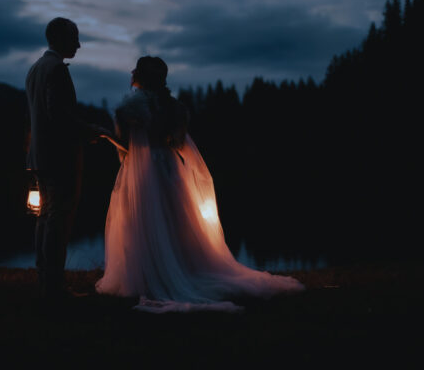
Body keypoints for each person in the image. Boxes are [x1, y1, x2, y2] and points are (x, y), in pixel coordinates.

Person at [95, 56, 305, 313]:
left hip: (143, 173)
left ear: (140, 76)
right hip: (170, 170)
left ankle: (149, 276)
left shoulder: (129, 110)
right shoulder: (175, 108)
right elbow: (179, 143)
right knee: (176, 223)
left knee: (144, 222)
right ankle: (184, 269)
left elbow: (128, 147)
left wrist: (106, 135)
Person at [25, 17, 105, 304]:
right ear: (59, 38)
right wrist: (92, 131)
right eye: (74, 38)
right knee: (58, 220)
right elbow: (58, 116)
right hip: (58, 157)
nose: (79, 45)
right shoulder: (56, 69)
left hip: (39, 155)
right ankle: (54, 287)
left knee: (46, 218)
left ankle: (45, 280)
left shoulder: (35, 68)